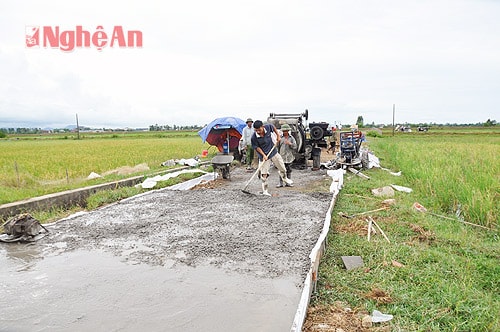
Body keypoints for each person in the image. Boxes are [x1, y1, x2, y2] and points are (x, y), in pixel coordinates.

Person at [251, 120, 293, 196]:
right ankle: (265, 191)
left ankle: (285, 178)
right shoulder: (254, 137)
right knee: (264, 175)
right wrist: (263, 155)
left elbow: (273, 127)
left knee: (283, 168)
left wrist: (278, 136)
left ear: (262, 127)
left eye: (259, 130)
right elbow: (257, 148)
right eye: (256, 130)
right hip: (263, 156)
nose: (258, 132)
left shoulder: (267, 127)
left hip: (273, 152)